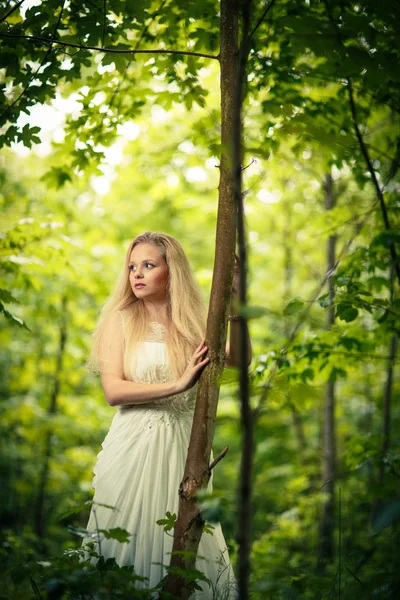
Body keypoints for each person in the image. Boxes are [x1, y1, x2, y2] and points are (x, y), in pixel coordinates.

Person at [82, 231, 249, 598]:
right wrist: (179, 383)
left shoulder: (191, 324)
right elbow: (114, 391)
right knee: (126, 536)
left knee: (183, 538)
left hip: (183, 448)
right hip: (131, 448)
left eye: (148, 265)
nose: (137, 274)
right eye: (131, 267)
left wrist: (236, 299)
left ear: (171, 271)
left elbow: (238, 360)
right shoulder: (121, 320)